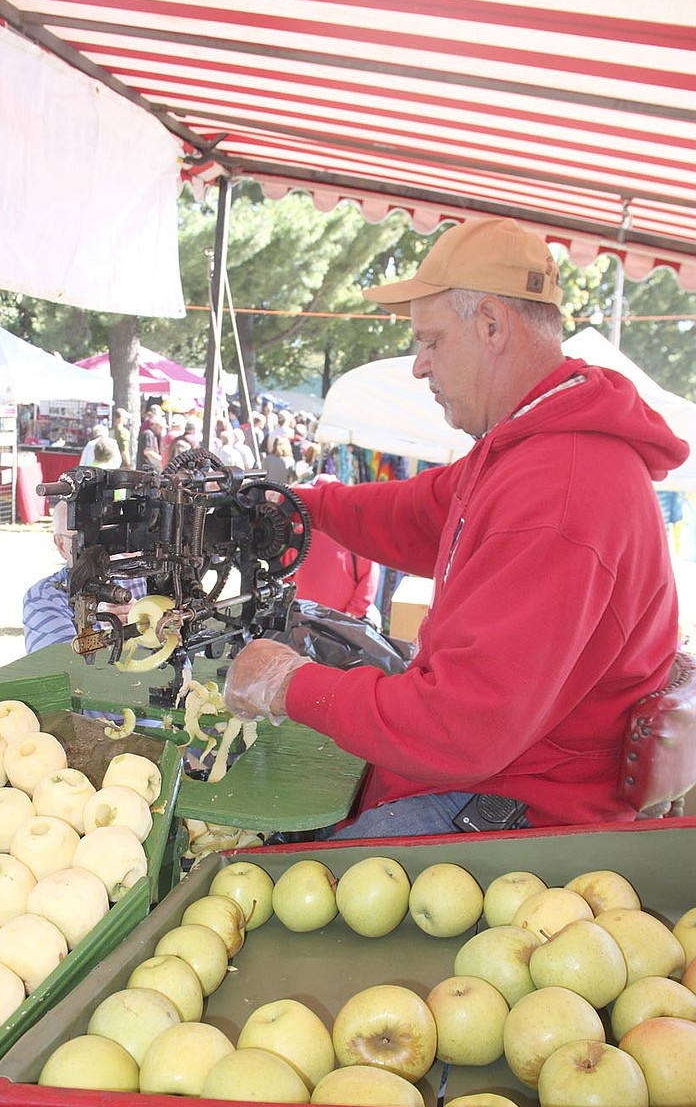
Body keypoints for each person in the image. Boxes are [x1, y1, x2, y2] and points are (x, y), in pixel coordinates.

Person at [224, 216, 690, 837]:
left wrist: (290, 684)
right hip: (493, 775)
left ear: (492, 325)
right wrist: (297, 507)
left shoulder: (561, 489)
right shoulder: (526, 445)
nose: (419, 366)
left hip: (520, 809)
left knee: (281, 882)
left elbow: (460, 726)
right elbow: (420, 513)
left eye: (432, 341)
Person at [23, 501, 146, 654]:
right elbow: (61, 664)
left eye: (105, 535)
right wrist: (109, 635)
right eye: (83, 541)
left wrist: (145, 621)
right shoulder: (43, 598)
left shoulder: (139, 575)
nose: (99, 549)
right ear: (61, 545)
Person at [290, 476, 381, 622]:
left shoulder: (354, 534)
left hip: (335, 622)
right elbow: (288, 572)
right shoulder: (300, 533)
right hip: (308, 618)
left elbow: (369, 577)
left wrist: (352, 612)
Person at [136, 406, 166, 472]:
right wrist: (161, 459)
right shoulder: (148, 434)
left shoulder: (151, 434)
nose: (161, 430)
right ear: (156, 425)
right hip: (146, 469)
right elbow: (147, 451)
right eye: (161, 427)